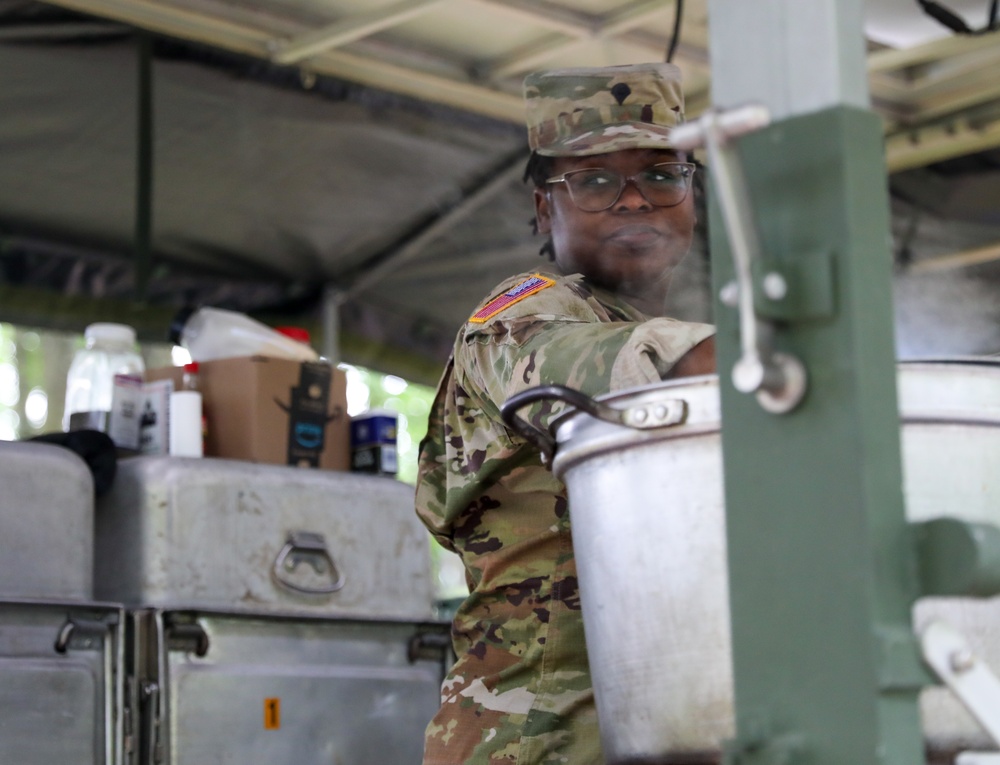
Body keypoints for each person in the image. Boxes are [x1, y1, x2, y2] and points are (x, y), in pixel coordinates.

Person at [415, 62, 716, 765]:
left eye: (663, 175)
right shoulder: (524, 313)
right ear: (546, 208)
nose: (635, 200)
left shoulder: (689, 344)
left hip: (657, 730)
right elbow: (614, 371)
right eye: (595, 180)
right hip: (535, 740)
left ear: (692, 197)